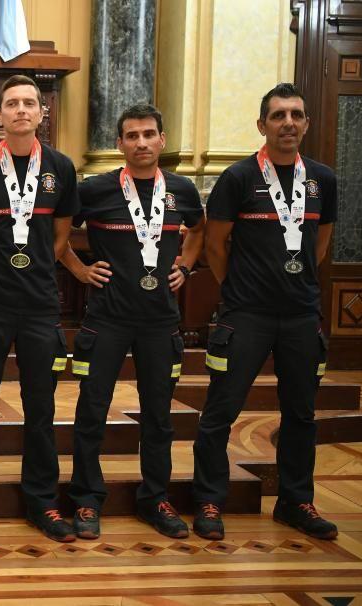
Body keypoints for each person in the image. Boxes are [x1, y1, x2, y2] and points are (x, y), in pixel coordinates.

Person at [192, 83, 338, 541]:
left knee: (301, 415)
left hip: (300, 315)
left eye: (296, 114)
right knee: (221, 411)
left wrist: (291, 282)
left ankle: (296, 501)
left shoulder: (323, 180)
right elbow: (215, 246)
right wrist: (238, 290)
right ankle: (210, 499)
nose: (288, 123)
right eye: (278, 116)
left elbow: (319, 244)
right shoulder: (237, 179)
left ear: (306, 123)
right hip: (246, 315)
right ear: (263, 125)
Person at [60, 103, 205, 540]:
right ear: (120, 143)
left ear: (162, 139)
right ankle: (86, 500)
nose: (141, 143)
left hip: (160, 321)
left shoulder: (181, 190)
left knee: (159, 416)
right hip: (107, 318)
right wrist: (79, 270)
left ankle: (155, 498)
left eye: (148, 134)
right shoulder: (96, 190)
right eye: (132, 135)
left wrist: (188, 265)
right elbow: (57, 233)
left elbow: (199, 230)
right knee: (91, 411)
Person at [0, 75, 80, 544]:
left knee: (41, 407)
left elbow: (61, 234)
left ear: (42, 113)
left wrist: (36, 265)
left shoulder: (61, 167)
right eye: (12, 104)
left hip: (41, 305)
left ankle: (42, 501)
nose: (21, 110)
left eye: (30, 103)